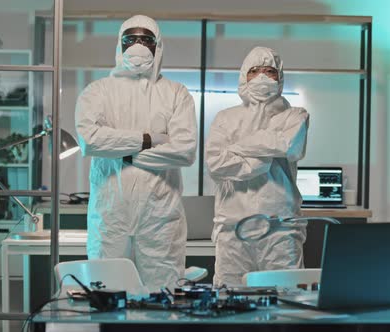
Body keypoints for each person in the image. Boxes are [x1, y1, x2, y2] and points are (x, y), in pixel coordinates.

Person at [75, 15, 197, 292]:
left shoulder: (175, 94)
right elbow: (90, 140)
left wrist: (125, 154)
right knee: (106, 294)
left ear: (158, 46)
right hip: (110, 215)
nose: (138, 45)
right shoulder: (97, 92)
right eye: (131, 39)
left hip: (160, 216)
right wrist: (149, 140)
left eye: (145, 39)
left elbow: (185, 151)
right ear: (120, 44)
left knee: (161, 301)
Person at [205, 46, 309, 286]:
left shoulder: (295, 116)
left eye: (269, 71)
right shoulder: (225, 117)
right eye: (255, 71)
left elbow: (287, 146)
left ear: (280, 77)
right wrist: (265, 156)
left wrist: (236, 146)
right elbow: (216, 164)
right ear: (244, 76)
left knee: (285, 300)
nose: (262, 77)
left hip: (280, 229)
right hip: (232, 229)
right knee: (229, 303)